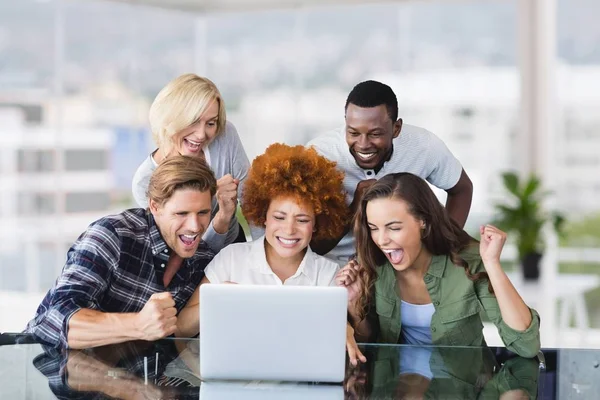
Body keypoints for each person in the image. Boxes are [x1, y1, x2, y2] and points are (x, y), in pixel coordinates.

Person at [341, 173, 540, 361]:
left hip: (462, 387)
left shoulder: (467, 260)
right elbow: (368, 345)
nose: (381, 240)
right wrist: (354, 304)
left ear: (424, 222)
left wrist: (492, 263)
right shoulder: (373, 263)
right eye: (374, 228)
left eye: (394, 228)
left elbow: (526, 346)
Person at [25, 156, 217, 349]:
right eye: (181, 213)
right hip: (43, 369)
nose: (194, 227)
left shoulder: (203, 259)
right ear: (154, 206)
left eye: (203, 213)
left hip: (128, 377)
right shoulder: (113, 235)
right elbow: (55, 320)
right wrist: (139, 325)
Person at [175, 144, 353, 338]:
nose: (289, 229)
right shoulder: (231, 259)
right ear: (264, 217)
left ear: (317, 224)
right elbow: (182, 328)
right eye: (279, 217)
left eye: (302, 220)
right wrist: (217, 298)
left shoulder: (328, 275)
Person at [307, 80, 473, 264]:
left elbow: (462, 189)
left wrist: (441, 251)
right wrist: (354, 209)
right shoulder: (319, 155)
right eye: (353, 133)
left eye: (375, 134)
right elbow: (309, 244)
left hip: (400, 266)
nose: (363, 144)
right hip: (334, 268)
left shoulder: (423, 146)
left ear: (396, 128)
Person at [132, 73, 250, 253]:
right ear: (171, 118)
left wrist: (266, 260)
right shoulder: (145, 182)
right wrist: (222, 218)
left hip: (234, 246)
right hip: (188, 263)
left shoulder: (225, 136)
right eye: (193, 121)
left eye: (211, 123)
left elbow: (253, 201)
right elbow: (182, 251)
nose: (202, 134)